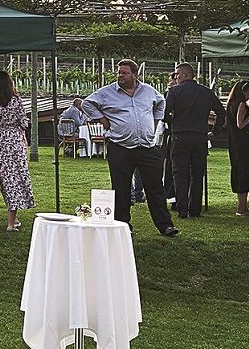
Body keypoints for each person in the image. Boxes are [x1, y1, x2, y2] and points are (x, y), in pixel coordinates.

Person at [79, 60, 178, 237]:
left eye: (124, 73)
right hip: (120, 146)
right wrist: (102, 120)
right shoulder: (107, 92)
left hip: (146, 147)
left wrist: (156, 121)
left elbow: (161, 102)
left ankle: (165, 225)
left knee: (155, 187)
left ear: (134, 74)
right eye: (119, 72)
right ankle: (123, 225)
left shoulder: (148, 91)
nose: (120, 76)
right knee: (121, 187)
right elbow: (86, 103)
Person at [162, 63, 222, 217]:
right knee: (197, 174)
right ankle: (195, 209)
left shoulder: (174, 92)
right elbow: (221, 113)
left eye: (176, 74)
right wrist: (214, 131)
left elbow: (165, 114)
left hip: (180, 135)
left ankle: (182, 209)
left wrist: (173, 124)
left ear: (184, 75)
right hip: (200, 136)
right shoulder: (206, 92)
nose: (175, 77)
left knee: (179, 173)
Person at [0, 70, 35, 232]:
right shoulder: (16, 102)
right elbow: (24, 122)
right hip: (15, 141)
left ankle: (13, 219)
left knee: (6, 181)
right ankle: (11, 222)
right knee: (16, 179)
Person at [225, 80, 249, 216]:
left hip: (235, 142)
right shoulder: (241, 104)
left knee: (241, 171)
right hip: (242, 144)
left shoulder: (231, 104)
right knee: (244, 172)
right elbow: (240, 124)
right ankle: (241, 207)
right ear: (243, 92)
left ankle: (243, 206)